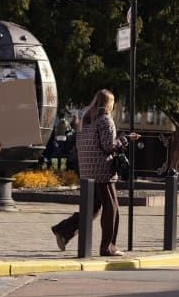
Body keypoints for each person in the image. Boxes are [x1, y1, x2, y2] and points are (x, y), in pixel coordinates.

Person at [50, 90, 140, 256]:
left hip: (87, 170)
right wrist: (126, 139)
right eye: (112, 102)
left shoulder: (86, 120)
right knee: (112, 209)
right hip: (103, 171)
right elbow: (108, 146)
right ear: (108, 104)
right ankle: (108, 247)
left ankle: (63, 231)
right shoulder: (105, 120)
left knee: (91, 210)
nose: (113, 106)